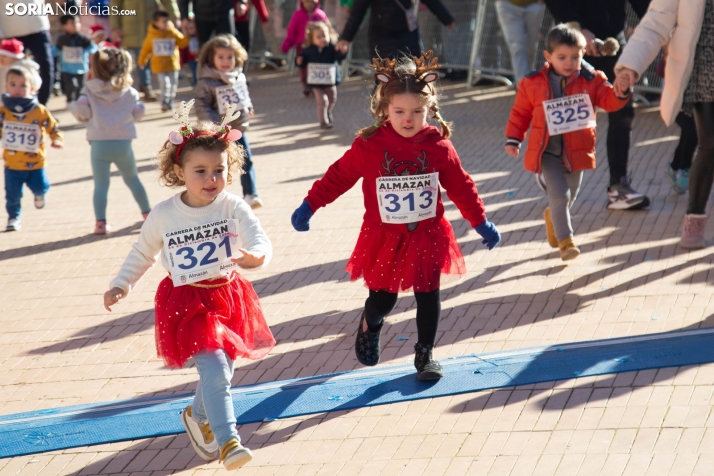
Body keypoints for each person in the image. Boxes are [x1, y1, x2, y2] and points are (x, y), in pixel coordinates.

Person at [290, 51, 501, 380]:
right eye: (400, 111)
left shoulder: (438, 146)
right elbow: (338, 176)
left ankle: (426, 355)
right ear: (384, 109)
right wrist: (310, 204)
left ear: (429, 110)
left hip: (427, 233)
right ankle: (369, 325)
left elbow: (462, 186)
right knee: (383, 300)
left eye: (417, 112)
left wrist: (480, 222)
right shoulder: (369, 144)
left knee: (428, 295)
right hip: (385, 236)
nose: (408, 119)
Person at [103, 103, 274, 470]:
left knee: (222, 371)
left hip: (228, 294)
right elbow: (143, 251)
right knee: (213, 369)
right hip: (186, 300)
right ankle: (229, 441)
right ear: (179, 171)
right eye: (200, 171)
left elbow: (260, 240)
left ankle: (197, 416)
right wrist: (121, 284)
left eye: (219, 170)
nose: (211, 179)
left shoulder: (233, 205)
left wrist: (255, 256)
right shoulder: (165, 214)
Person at [505, 24, 630, 261]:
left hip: (577, 152)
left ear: (584, 54)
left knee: (569, 196)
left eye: (575, 56)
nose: (569, 62)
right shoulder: (533, 82)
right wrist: (514, 139)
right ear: (548, 57)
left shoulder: (592, 80)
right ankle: (566, 241)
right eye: (562, 57)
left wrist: (620, 91)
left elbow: (609, 101)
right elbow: (520, 112)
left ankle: (554, 217)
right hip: (547, 153)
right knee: (560, 194)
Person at [614, 0, 714, 249]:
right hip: (705, 69)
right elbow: (656, 22)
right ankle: (695, 219)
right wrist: (630, 66)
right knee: (709, 144)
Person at [544, 0, 651, 211]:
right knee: (570, 118)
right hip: (573, 47)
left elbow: (647, 7)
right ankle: (551, 172)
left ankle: (618, 186)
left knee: (623, 111)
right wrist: (576, 28)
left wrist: (660, 28)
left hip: (614, 44)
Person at [68, 48, 152, 235]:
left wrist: (72, 107)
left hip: (99, 143)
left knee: (100, 184)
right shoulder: (129, 91)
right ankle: (148, 214)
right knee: (132, 179)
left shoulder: (89, 90)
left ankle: (101, 223)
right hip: (123, 143)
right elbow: (138, 112)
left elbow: (82, 111)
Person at [194, 35, 262, 209]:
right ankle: (212, 199)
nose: (226, 61)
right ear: (211, 58)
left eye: (230, 57)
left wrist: (249, 107)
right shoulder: (206, 82)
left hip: (238, 129)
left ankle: (251, 193)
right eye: (221, 57)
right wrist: (216, 126)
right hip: (217, 134)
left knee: (246, 161)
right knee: (217, 167)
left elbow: (243, 96)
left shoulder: (238, 76)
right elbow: (202, 106)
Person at [0, 66, 64, 231]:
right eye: (13, 84)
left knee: (40, 186)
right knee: (12, 195)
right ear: (6, 87)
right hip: (12, 164)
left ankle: (40, 193)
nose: (17, 89)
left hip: (35, 162)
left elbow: (53, 127)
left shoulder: (38, 110)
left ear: (32, 88)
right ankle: (13, 217)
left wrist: (57, 139)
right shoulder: (3, 111)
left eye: (23, 86)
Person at [336, 0, 454, 61]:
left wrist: (446, 19)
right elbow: (358, 11)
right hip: (380, 36)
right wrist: (346, 38)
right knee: (384, 79)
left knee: (411, 75)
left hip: (407, 33)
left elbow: (431, 1)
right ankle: (382, 107)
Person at [110, 0, 180, 101]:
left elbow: (168, 1)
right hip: (131, 26)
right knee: (141, 58)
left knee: (152, 59)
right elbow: (115, 4)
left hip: (153, 25)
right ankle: (146, 85)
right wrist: (115, 26)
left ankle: (148, 85)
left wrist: (175, 16)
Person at [0, 0, 54, 105]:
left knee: (45, 66)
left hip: (39, 27)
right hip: (11, 31)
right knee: (10, 72)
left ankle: (41, 107)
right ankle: (10, 109)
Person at [296, 22, 346, 129]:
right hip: (316, 82)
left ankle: (328, 111)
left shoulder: (332, 48)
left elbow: (339, 58)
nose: (322, 39)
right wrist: (299, 61)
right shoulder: (309, 50)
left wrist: (341, 52)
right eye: (318, 37)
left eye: (324, 36)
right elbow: (302, 61)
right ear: (312, 39)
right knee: (322, 101)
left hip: (329, 80)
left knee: (332, 98)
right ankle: (323, 122)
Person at [138, 10, 188, 112]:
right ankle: (164, 102)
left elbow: (183, 43)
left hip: (172, 64)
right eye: (163, 21)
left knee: (173, 85)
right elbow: (146, 50)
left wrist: (186, 34)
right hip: (159, 66)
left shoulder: (172, 32)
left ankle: (170, 101)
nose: (166, 23)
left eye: (167, 21)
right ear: (156, 23)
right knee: (165, 84)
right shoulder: (152, 35)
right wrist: (142, 61)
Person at [282, 0, 330, 97]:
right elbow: (292, 31)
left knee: (318, 65)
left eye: (311, 2)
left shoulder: (320, 14)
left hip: (318, 46)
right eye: (307, 2)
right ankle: (307, 85)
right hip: (303, 46)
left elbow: (328, 29)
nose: (309, 5)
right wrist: (287, 44)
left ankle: (319, 85)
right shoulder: (298, 15)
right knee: (304, 67)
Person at [495, 0, 546, 87]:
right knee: (517, 47)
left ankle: (527, 79)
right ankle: (523, 86)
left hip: (535, 5)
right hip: (508, 6)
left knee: (532, 47)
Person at [52, 15, 98, 103]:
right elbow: (56, 50)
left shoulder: (84, 39)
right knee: (70, 85)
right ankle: (70, 100)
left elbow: (92, 47)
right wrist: (49, 55)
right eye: (72, 23)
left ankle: (79, 101)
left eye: (77, 22)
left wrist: (94, 53)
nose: (76, 25)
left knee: (81, 86)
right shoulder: (62, 39)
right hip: (67, 69)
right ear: (64, 26)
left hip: (81, 68)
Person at [179, 14, 199, 86]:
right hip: (191, 59)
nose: (192, 30)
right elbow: (183, 51)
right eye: (190, 28)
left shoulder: (199, 37)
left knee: (198, 72)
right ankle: (195, 84)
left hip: (198, 58)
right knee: (194, 72)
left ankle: (196, 83)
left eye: (194, 28)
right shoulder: (186, 39)